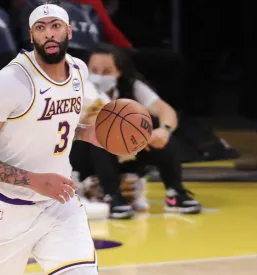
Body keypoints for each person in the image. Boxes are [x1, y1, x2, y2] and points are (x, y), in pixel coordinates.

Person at [0, 3, 105, 275]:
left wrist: (87, 133)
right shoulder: (9, 83)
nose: (48, 34)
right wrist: (34, 180)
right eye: (40, 28)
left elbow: (52, 123)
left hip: (60, 204)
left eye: (55, 26)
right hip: (3, 209)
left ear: (69, 31)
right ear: (31, 35)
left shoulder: (79, 71)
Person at [75, 42, 201, 217]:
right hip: (83, 154)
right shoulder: (75, 88)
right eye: (94, 70)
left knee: (159, 131)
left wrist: (163, 131)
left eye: (107, 71)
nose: (99, 76)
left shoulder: (131, 86)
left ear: (119, 72)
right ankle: (113, 197)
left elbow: (166, 111)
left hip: (123, 151)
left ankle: (175, 193)